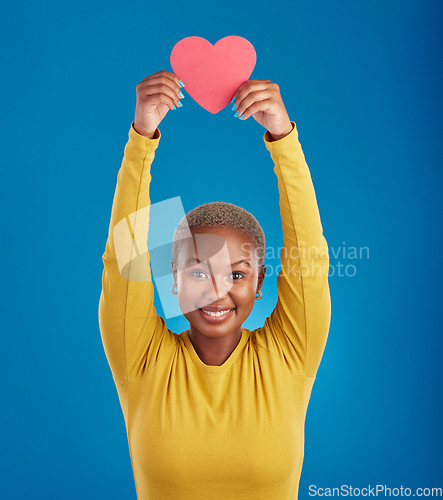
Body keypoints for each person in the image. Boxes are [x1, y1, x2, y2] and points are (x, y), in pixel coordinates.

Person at [98, 70, 331, 499]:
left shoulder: (289, 357)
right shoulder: (142, 360)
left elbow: (310, 262)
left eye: (237, 274)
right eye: (198, 271)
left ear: (260, 282)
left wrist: (283, 139)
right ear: (174, 279)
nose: (217, 291)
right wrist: (142, 138)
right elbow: (123, 264)